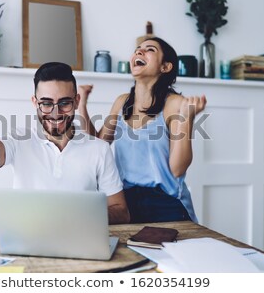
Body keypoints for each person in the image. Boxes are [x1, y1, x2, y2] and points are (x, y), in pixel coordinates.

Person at [0, 59, 130, 224]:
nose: (55, 113)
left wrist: (78, 216)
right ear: (35, 102)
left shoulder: (99, 149)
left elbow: (121, 212)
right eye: (47, 103)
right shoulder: (18, 141)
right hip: (27, 243)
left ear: (77, 102)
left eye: (64, 103)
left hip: (78, 244)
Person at [78, 37, 206, 223]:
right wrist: (82, 105)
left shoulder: (175, 104)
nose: (139, 52)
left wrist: (187, 119)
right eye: (138, 49)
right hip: (125, 202)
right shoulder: (122, 102)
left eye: (150, 50)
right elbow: (97, 144)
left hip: (166, 203)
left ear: (165, 67)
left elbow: (178, 169)